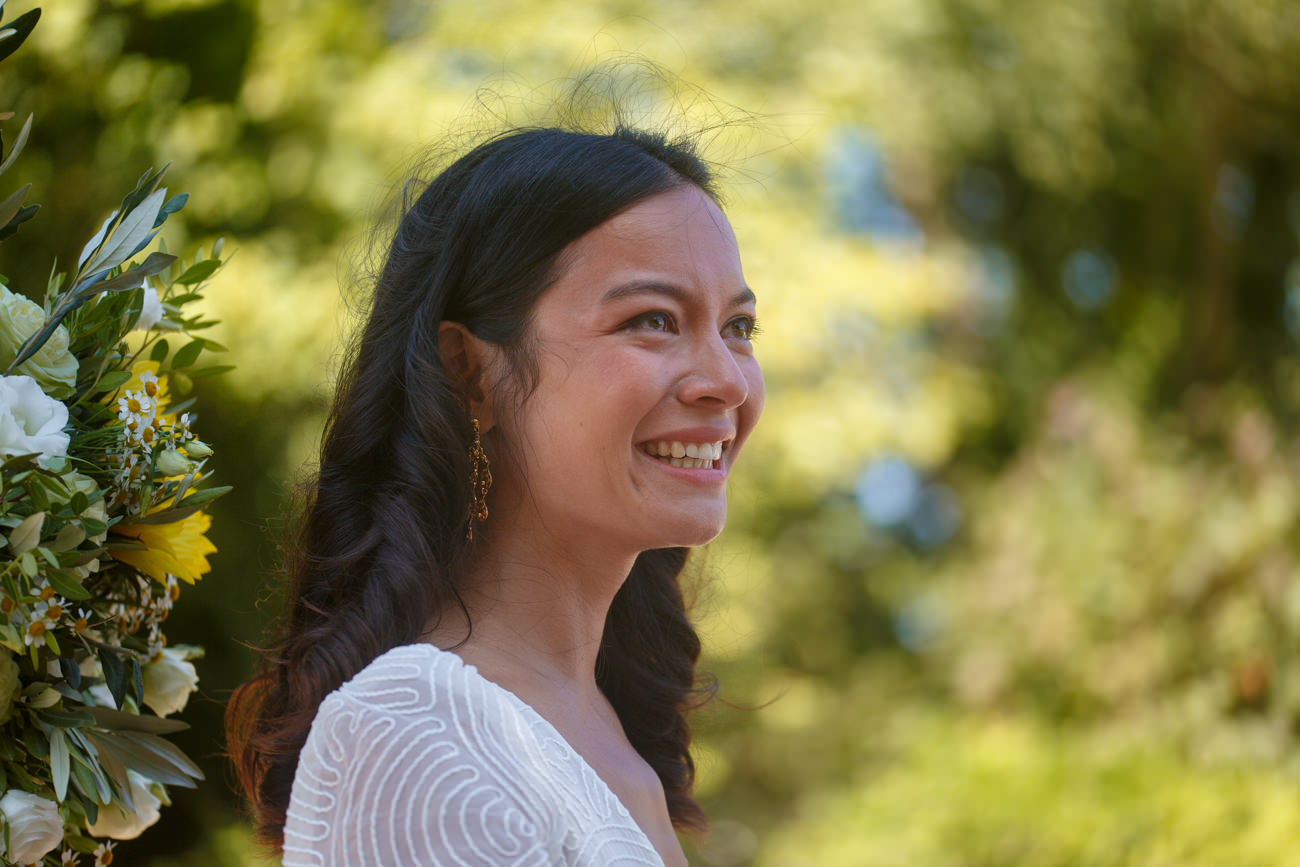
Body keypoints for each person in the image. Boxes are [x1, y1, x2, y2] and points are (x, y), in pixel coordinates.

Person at [226, 124, 764, 866]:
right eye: (652, 320)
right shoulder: (414, 732)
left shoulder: (605, 731)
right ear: (470, 373)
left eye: (738, 326)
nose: (729, 381)